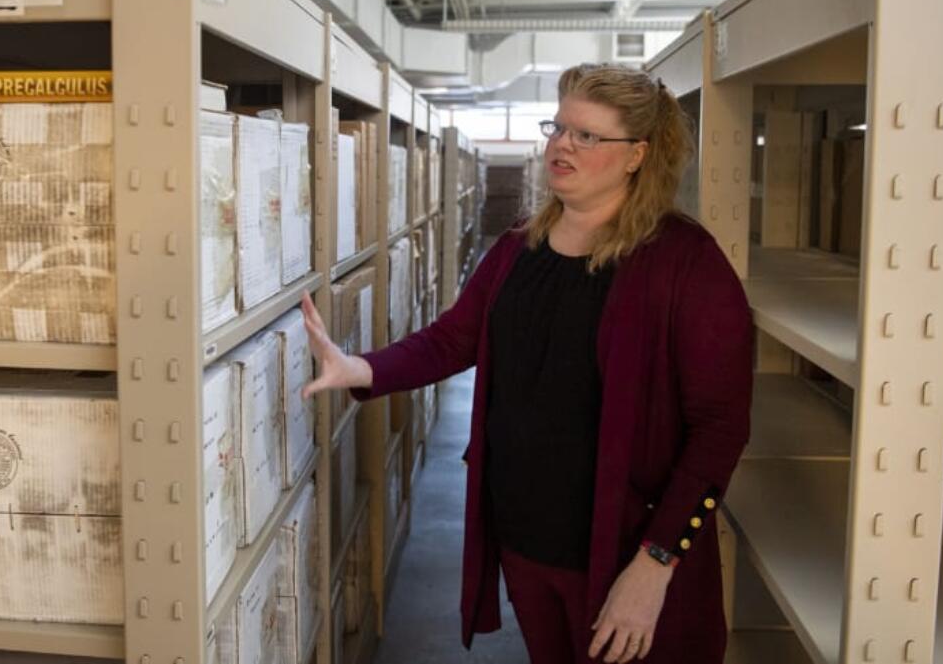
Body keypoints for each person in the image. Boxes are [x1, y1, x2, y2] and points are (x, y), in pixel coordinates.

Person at [299, 63, 753, 664]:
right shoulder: (519, 248)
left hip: (625, 554)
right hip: (528, 543)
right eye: (558, 127)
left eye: (587, 135)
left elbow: (719, 431)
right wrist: (357, 368)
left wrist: (656, 562)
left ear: (637, 154)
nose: (561, 145)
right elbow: (452, 340)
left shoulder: (686, 264)